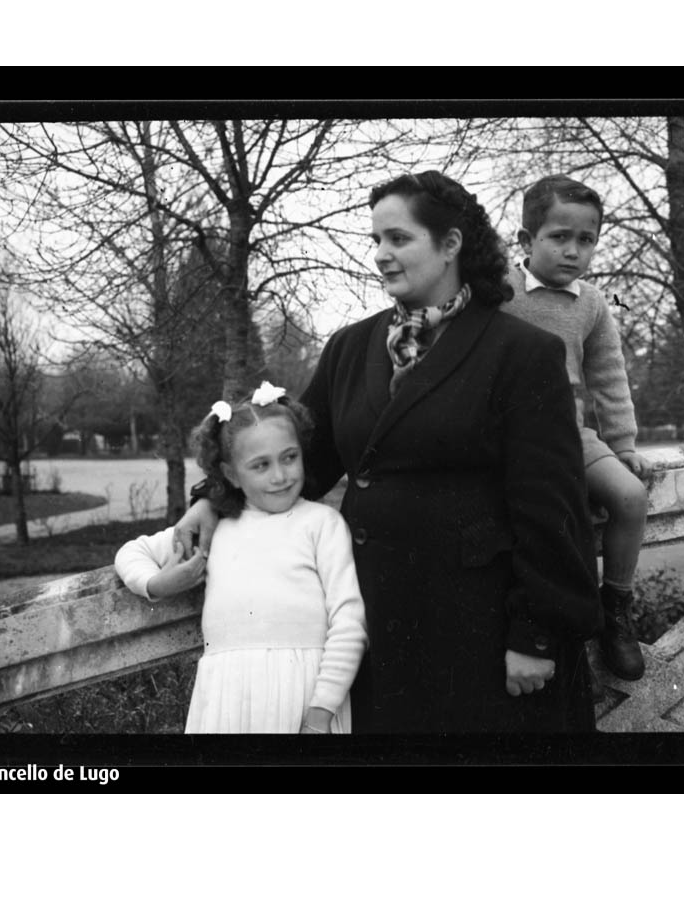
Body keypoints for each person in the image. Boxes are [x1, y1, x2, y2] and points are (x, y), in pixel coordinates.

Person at [176, 170, 600, 733]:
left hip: (481, 628)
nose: (381, 255)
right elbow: (298, 458)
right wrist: (214, 500)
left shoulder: (521, 353)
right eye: (376, 240)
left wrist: (536, 635)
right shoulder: (352, 347)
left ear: (450, 244)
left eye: (398, 239)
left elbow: (552, 506)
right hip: (380, 616)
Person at [115, 383, 367, 734]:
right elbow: (132, 552)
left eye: (289, 457)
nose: (280, 476)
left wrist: (321, 712)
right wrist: (158, 584)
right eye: (260, 465)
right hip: (227, 703)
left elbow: (349, 623)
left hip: (308, 703)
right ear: (232, 474)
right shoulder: (215, 527)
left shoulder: (321, 525)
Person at [501, 174, 652, 681]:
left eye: (585, 240)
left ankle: (616, 608)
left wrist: (623, 444)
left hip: (572, 437)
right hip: (509, 439)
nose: (573, 252)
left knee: (630, 498)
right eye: (558, 237)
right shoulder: (496, 292)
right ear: (526, 241)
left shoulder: (591, 303)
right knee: (551, 524)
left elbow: (608, 375)